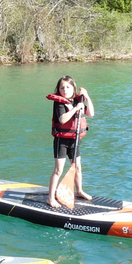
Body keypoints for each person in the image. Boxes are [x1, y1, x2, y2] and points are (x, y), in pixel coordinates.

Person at [46, 75, 95, 208]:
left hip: (74, 139)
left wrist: (87, 96)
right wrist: (75, 109)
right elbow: (62, 120)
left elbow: (91, 114)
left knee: (78, 167)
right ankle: (51, 198)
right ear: (58, 89)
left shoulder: (77, 101)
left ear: (73, 88)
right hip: (61, 140)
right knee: (58, 170)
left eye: (68, 87)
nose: (65, 90)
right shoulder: (60, 103)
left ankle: (79, 191)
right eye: (62, 87)